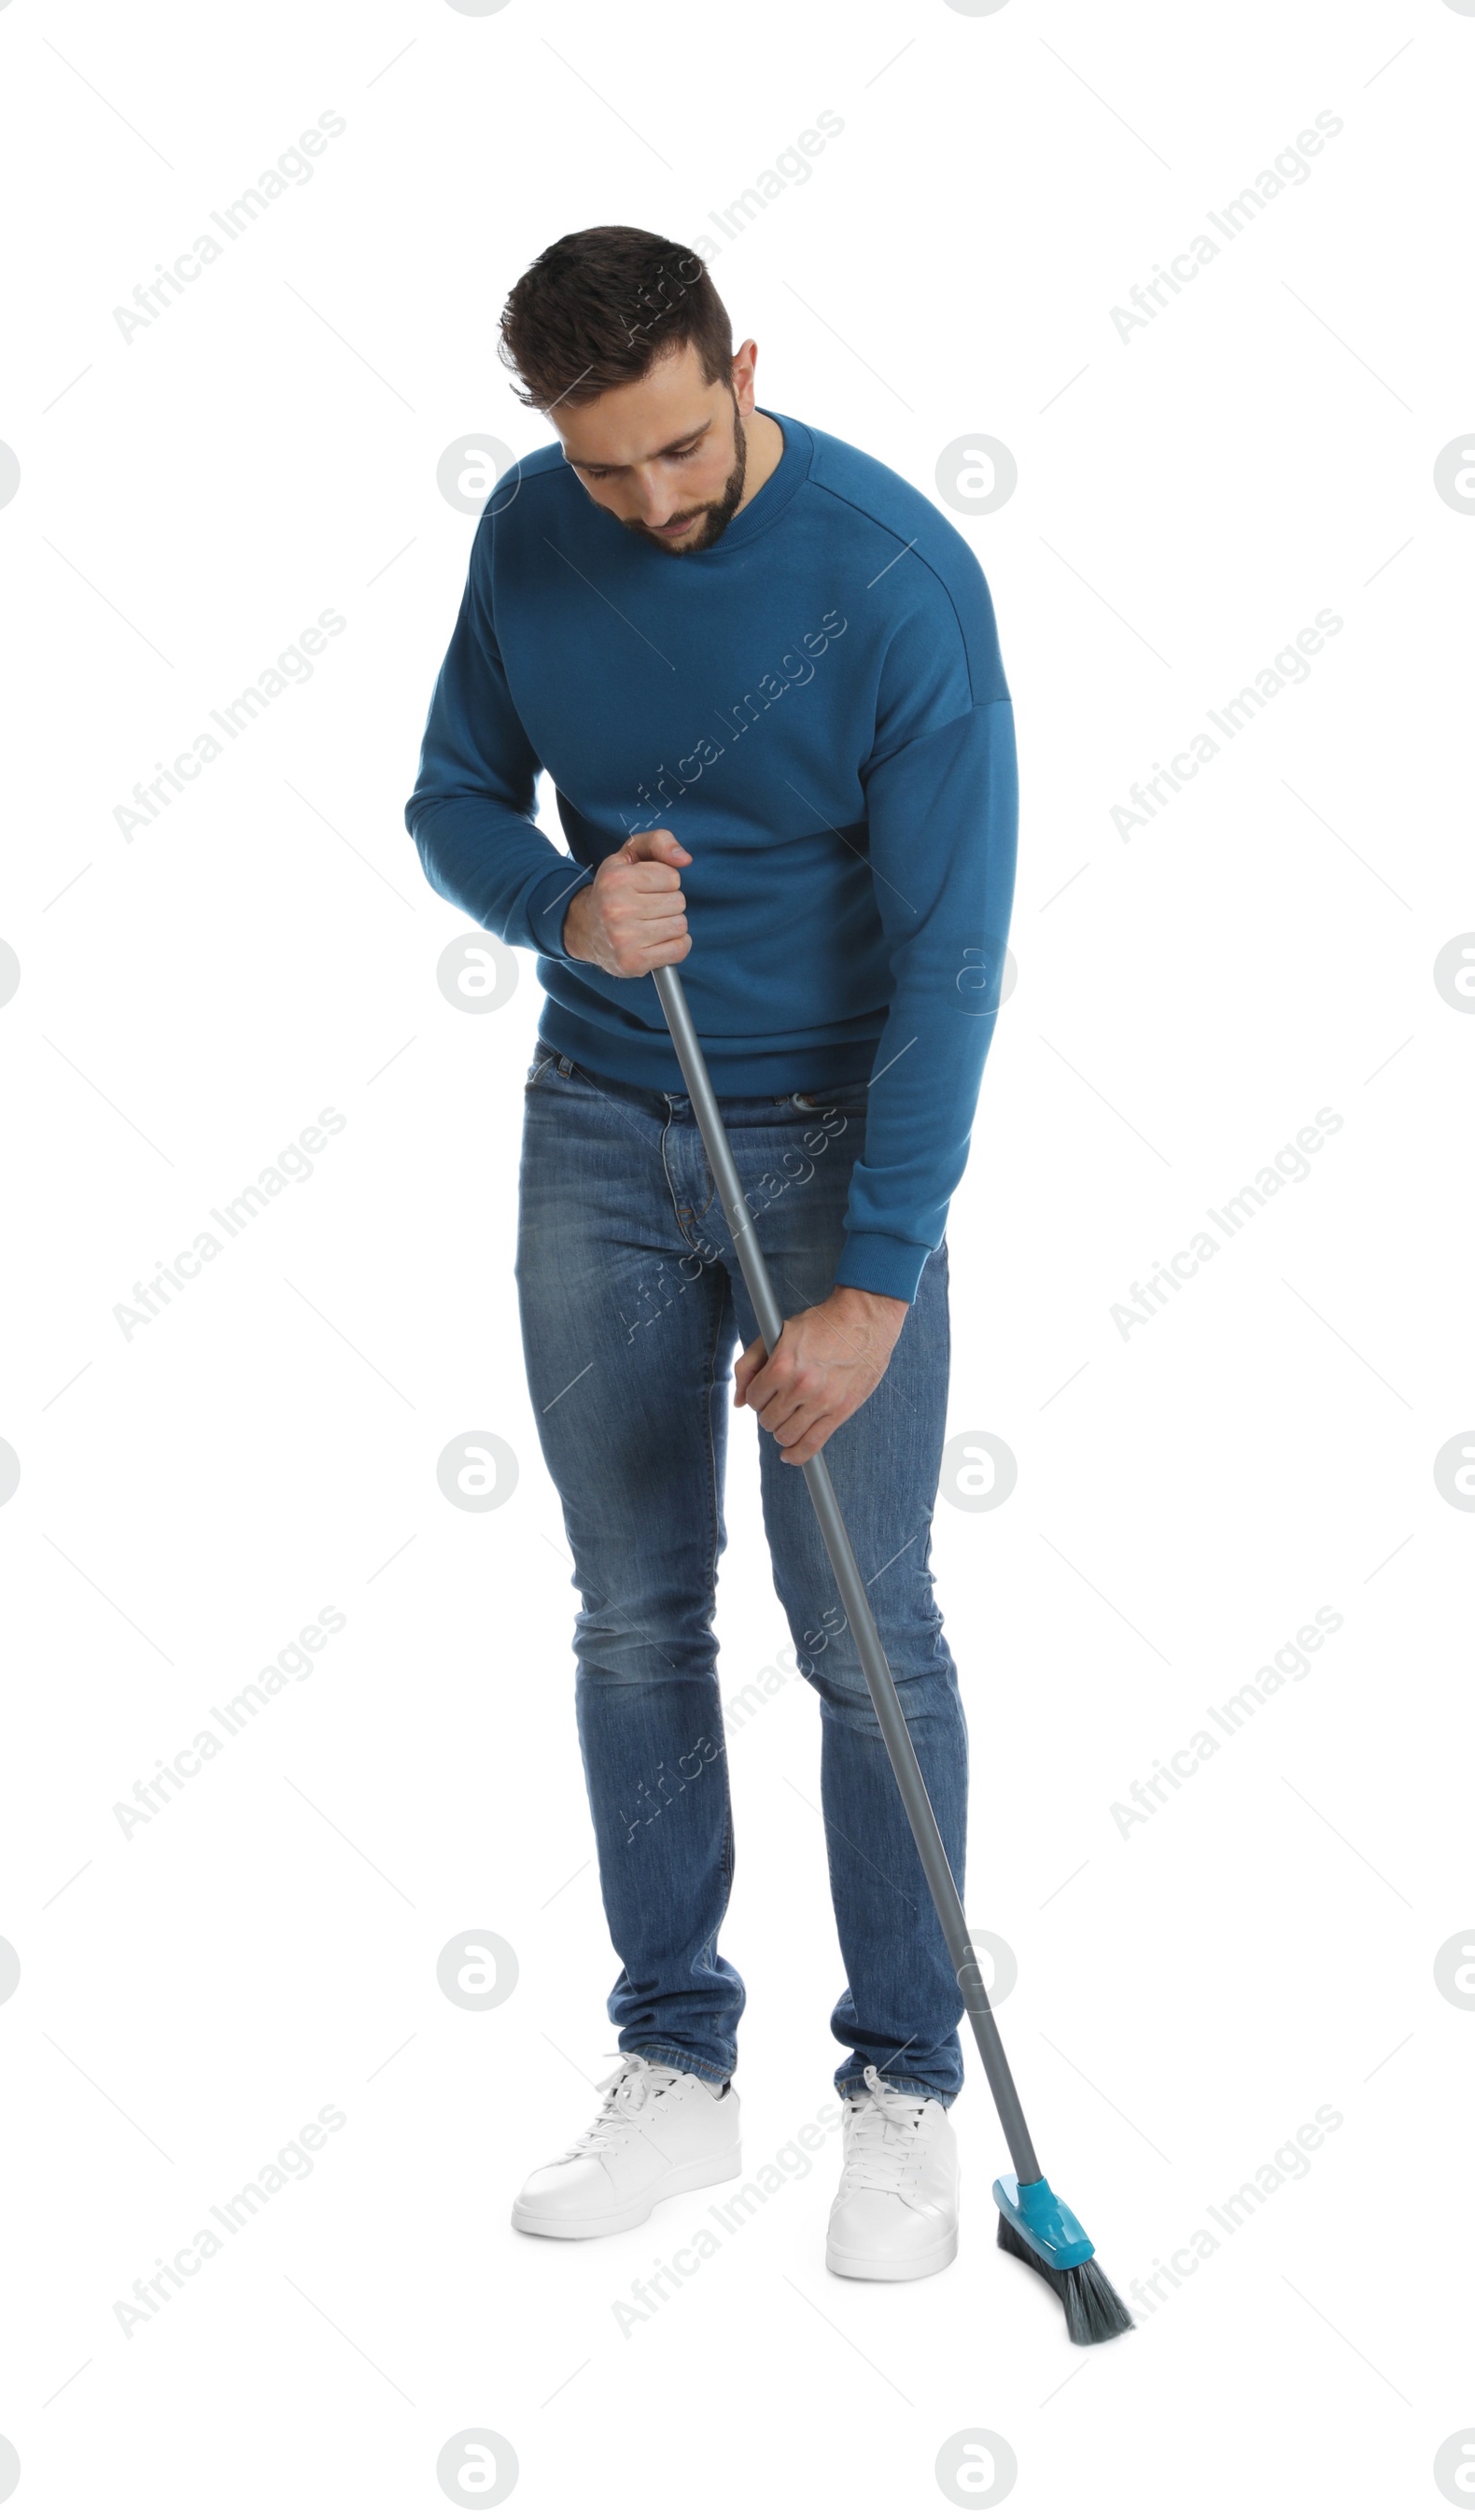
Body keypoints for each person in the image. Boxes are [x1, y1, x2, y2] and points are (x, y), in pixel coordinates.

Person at [406, 227, 1018, 2282]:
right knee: (631, 1610)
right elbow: (454, 799)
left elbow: (948, 959)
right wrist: (559, 912)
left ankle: (906, 2091)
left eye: (679, 445)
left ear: (737, 360)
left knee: (863, 1627)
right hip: (596, 1120)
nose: (654, 503)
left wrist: (874, 1279)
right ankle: (673, 2060)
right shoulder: (528, 535)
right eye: (607, 469)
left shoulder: (892, 579)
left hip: (827, 1147)